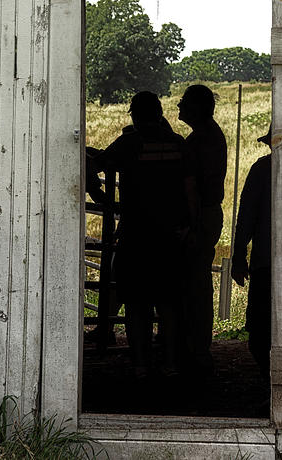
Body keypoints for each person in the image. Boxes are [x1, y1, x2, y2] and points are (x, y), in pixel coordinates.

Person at [99, 91, 197, 379]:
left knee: (136, 304)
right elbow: (191, 189)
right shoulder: (179, 144)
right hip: (170, 237)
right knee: (168, 303)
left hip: (136, 237)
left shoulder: (128, 144)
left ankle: (140, 363)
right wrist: (192, 227)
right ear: (160, 113)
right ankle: (170, 363)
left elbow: (100, 163)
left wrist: (100, 196)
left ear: (135, 115)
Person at [178, 84, 227, 375]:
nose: (179, 107)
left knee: (194, 284)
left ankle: (196, 349)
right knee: (197, 282)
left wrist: (192, 226)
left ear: (195, 107)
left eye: (184, 102)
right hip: (209, 215)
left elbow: (192, 188)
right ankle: (198, 347)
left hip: (201, 217)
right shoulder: (211, 135)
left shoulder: (198, 141)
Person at [231, 127, 271, 382]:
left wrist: (238, 256)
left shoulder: (261, 170)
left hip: (265, 263)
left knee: (260, 329)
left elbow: (246, 217)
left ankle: (267, 377)